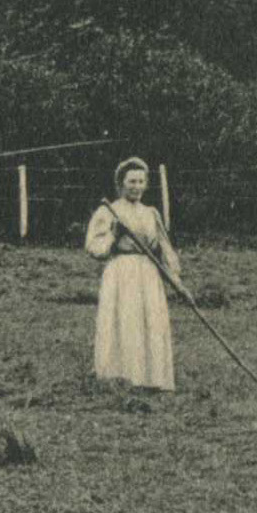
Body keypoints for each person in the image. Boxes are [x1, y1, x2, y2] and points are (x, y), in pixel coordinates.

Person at [84, 157, 179, 391]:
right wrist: (114, 236)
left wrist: (175, 276)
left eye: (140, 181)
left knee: (150, 321)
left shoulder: (151, 213)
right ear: (121, 183)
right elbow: (94, 247)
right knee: (124, 321)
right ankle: (120, 377)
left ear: (146, 184)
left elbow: (164, 248)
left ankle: (152, 378)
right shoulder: (109, 211)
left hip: (148, 272)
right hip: (121, 272)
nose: (136, 186)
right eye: (131, 181)